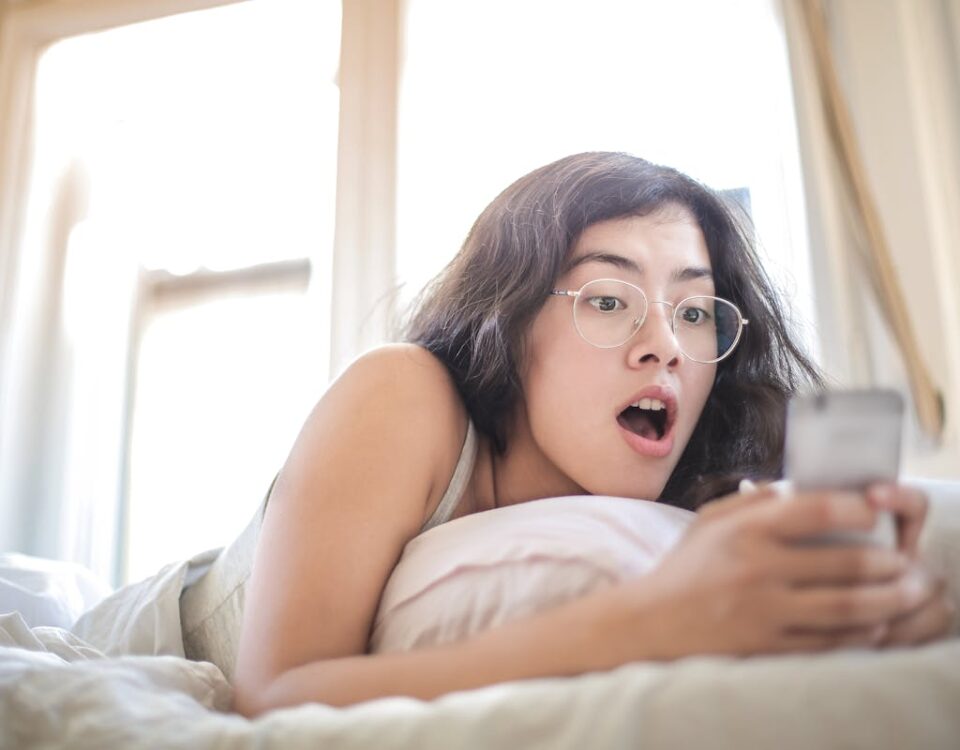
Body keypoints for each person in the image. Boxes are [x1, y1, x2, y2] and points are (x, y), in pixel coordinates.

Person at [231, 152, 952, 715]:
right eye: (609, 300)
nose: (665, 344)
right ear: (508, 323)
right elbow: (273, 697)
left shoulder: (699, 486)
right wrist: (651, 622)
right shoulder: (403, 393)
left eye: (696, 312)